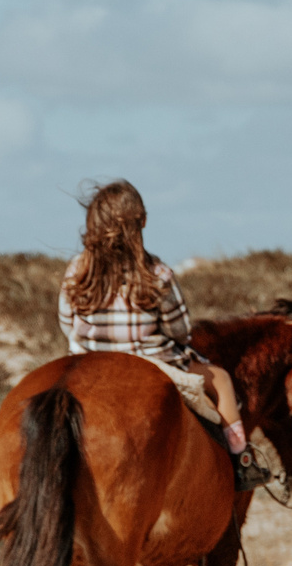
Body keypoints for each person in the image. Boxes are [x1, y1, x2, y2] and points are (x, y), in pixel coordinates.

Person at [58, 180, 272, 489]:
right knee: (221, 380)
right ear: (142, 221)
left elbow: (67, 323)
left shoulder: (77, 269)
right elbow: (180, 332)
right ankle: (243, 464)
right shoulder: (157, 274)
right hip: (150, 363)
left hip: (88, 363)